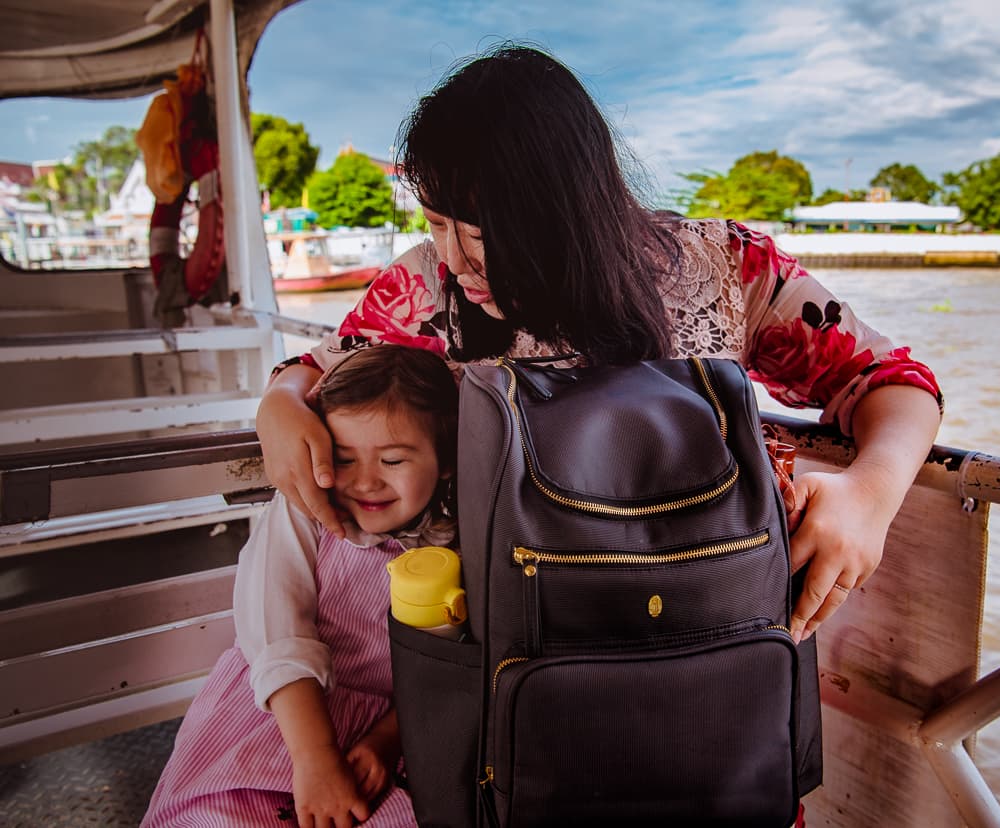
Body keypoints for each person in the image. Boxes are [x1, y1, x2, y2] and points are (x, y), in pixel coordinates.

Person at [257, 44, 943, 648]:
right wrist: (280, 402)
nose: (455, 260)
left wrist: (868, 495)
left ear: (567, 204)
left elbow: (889, 379)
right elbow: (322, 373)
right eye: (437, 222)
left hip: (713, 640)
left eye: (483, 229)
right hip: (518, 662)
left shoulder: (729, 266)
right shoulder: (423, 285)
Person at [144, 345, 458, 828]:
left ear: (446, 461)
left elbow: (449, 666)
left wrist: (388, 739)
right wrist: (315, 760)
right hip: (283, 716)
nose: (366, 483)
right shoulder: (302, 516)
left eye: (393, 460)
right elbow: (278, 633)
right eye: (344, 459)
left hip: (396, 734)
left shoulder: (462, 540)